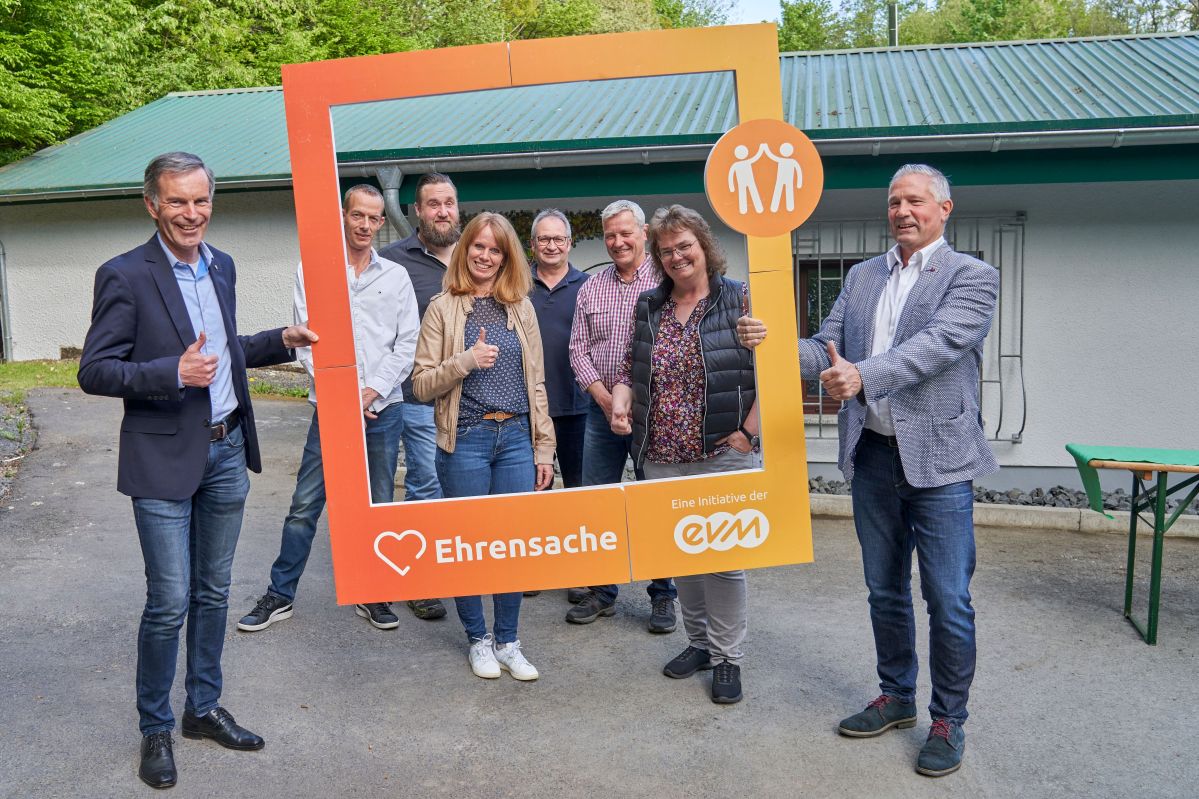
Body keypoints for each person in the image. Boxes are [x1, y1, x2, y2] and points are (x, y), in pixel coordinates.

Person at [737, 164, 999, 776]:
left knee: (948, 599)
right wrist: (770, 341)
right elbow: (825, 347)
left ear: (944, 209)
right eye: (894, 202)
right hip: (874, 455)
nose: (902, 211)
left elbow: (938, 345)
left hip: (940, 463)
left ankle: (948, 719)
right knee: (884, 590)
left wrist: (863, 374)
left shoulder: (972, 276)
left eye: (915, 201)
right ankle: (897, 696)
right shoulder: (861, 277)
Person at [77, 152, 317, 789]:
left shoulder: (222, 266)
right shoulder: (125, 274)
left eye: (201, 200)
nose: (191, 213)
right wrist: (170, 373)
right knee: (168, 602)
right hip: (162, 458)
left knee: (213, 592)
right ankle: (156, 726)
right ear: (152, 204)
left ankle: (202, 708)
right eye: (177, 201)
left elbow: (224, 349)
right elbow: (94, 370)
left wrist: (280, 340)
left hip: (227, 450)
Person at [237, 185, 419, 634]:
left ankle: (373, 593)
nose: (365, 225)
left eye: (374, 218)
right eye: (358, 215)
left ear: (382, 222)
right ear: (344, 215)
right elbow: (306, 343)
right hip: (333, 411)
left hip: (383, 409)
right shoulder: (314, 271)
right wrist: (344, 397)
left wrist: (370, 392)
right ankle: (280, 595)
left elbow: (407, 344)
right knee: (305, 504)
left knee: (377, 505)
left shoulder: (396, 276)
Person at [609, 205, 760, 706]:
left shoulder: (739, 297)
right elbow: (631, 369)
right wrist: (623, 402)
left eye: (685, 246)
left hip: (722, 453)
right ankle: (699, 644)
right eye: (667, 250)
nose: (677, 257)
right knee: (683, 557)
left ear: (704, 246)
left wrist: (749, 432)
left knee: (724, 562)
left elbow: (774, 368)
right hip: (662, 454)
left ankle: (727, 657)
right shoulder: (649, 305)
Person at [411, 212, 555, 682]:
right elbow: (420, 385)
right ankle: (478, 639)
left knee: (511, 546)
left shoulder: (521, 307)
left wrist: (543, 449)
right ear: (465, 249)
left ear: (507, 257)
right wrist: (465, 361)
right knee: (468, 545)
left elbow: (537, 384)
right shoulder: (442, 308)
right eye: (479, 246)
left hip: (515, 439)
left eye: (496, 250)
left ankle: (508, 642)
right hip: (466, 441)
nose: (486, 256)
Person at [566, 199, 677, 630]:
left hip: (656, 414)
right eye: (610, 235)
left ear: (644, 233)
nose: (617, 242)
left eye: (625, 233)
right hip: (601, 413)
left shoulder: (668, 280)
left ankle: (663, 595)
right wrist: (604, 398)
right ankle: (602, 591)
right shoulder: (592, 287)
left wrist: (631, 400)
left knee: (656, 505)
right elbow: (578, 350)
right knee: (599, 503)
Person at [378, 172, 459, 621]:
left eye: (449, 202)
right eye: (433, 204)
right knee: (426, 485)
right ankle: (421, 582)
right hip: (419, 398)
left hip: (473, 399)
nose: (442, 211)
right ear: (417, 211)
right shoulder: (393, 262)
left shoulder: (477, 253)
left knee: (467, 488)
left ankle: (471, 570)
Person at [528, 209, 590, 488]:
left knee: (580, 487)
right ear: (533, 244)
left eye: (558, 239)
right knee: (536, 489)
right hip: (529, 409)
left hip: (578, 407)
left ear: (569, 243)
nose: (551, 246)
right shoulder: (516, 286)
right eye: (544, 239)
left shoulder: (589, 287)